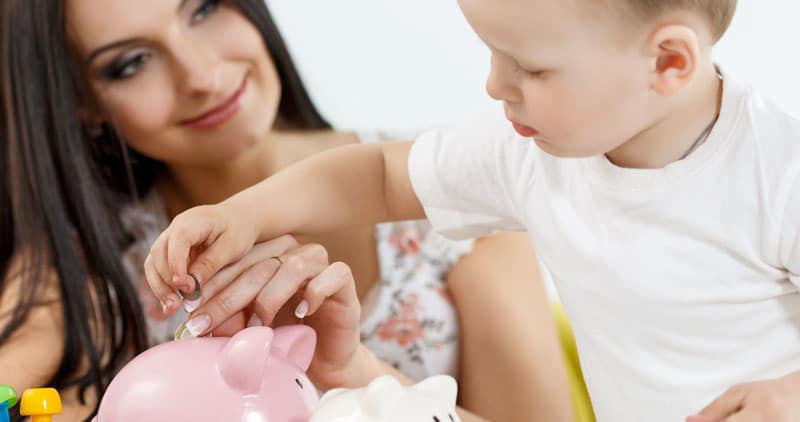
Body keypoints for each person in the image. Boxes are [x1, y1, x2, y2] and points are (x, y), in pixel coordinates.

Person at [145, 0, 800, 421]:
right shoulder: (531, 156)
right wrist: (246, 215)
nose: (493, 84)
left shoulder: (780, 170)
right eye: (491, 52)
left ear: (669, 61)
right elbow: (378, 172)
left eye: (530, 69)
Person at [0, 0, 573, 420]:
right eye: (129, 63)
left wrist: (364, 378)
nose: (201, 75)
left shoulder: (442, 192)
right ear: (83, 104)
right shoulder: (88, 260)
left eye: (203, 9)